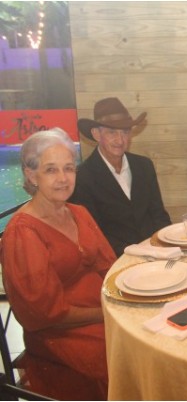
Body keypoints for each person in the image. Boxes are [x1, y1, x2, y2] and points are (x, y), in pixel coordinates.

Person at [0, 128, 115, 400]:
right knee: (129, 354)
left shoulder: (78, 212)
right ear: (31, 175)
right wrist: (106, 313)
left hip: (102, 311)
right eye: (51, 170)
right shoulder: (23, 232)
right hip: (62, 334)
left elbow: (109, 267)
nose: (63, 178)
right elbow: (46, 315)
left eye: (69, 168)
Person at [69, 97, 172, 256]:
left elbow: (159, 216)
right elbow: (94, 234)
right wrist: (136, 254)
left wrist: (168, 246)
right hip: (115, 260)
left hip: (156, 253)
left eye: (125, 132)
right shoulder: (83, 177)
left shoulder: (144, 166)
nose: (120, 140)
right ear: (96, 134)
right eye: (112, 132)